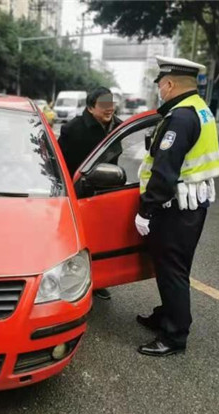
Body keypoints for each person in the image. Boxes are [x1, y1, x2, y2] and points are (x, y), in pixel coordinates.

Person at [134, 56, 219, 357]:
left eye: (160, 84)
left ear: (169, 84)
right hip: (191, 204)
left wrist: (146, 210)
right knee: (171, 267)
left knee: (172, 270)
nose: (159, 89)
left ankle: (174, 336)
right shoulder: (201, 109)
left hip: (175, 208)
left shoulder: (181, 117)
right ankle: (165, 314)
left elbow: (164, 172)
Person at [58, 87, 123, 300]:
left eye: (111, 103)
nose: (109, 108)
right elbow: (60, 164)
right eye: (104, 104)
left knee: (101, 239)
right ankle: (67, 284)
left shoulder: (119, 127)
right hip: (78, 194)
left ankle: (98, 281)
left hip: (106, 192)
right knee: (76, 241)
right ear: (90, 107)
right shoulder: (73, 129)